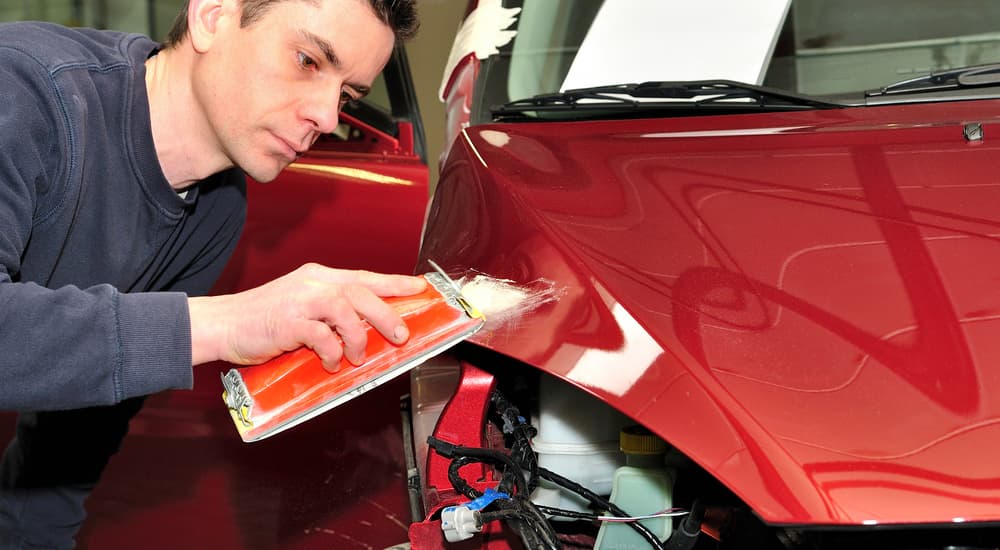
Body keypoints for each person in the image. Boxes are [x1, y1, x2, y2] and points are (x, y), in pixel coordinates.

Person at [0, 0, 420, 547]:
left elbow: (72, 438)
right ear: (213, 14)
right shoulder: (25, 89)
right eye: (308, 60)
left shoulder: (218, 210)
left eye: (347, 95)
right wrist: (226, 322)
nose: (327, 116)